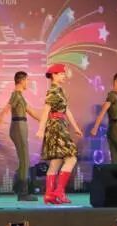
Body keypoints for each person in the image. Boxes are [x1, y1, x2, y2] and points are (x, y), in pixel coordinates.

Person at [0, 71, 41, 201]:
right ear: (21, 80)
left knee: (24, 159)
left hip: (21, 126)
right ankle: (23, 192)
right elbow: (4, 112)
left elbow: (32, 112)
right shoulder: (16, 95)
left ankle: (20, 187)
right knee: (24, 160)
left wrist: (47, 121)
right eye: (27, 80)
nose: (28, 83)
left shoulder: (20, 96)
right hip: (18, 127)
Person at [36, 64, 83, 205]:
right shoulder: (53, 91)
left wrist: (76, 127)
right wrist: (40, 129)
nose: (64, 76)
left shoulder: (60, 91)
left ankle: (49, 194)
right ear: (54, 75)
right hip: (56, 126)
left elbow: (66, 110)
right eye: (61, 73)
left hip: (60, 125)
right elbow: (46, 111)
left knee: (56, 162)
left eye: (63, 73)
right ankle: (59, 192)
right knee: (71, 158)